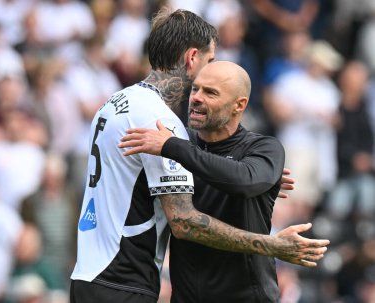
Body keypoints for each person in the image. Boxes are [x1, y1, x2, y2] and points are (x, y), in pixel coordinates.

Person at [70, 8, 329, 303]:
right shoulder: (161, 124)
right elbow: (184, 221)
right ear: (192, 58)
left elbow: (145, 179)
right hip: (123, 282)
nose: (208, 72)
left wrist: (255, 175)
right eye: (210, 60)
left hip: (88, 275)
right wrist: (272, 245)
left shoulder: (116, 101)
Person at [119, 60, 316, 302]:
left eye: (210, 92)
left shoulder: (263, 147)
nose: (197, 98)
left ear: (239, 105)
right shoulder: (179, 142)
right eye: (195, 89)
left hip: (247, 297)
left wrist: (172, 147)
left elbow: (245, 181)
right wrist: (174, 146)